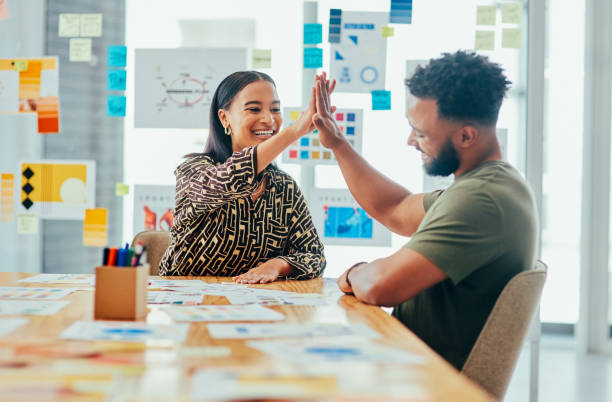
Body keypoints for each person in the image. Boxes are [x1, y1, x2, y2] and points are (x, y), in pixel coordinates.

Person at [311, 51, 538, 370]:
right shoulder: (491, 184)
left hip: (425, 382)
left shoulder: (481, 200)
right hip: (410, 365)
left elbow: (380, 287)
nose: (410, 141)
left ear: (466, 135)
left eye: (421, 133)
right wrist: (337, 143)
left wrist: (352, 272)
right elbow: (396, 209)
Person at [160, 71, 333, 283]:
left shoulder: (284, 187)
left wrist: (278, 265)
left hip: (257, 305)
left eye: (275, 109)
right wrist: (295, 131)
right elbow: (228, 179)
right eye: (254, 109)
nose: (269, 120)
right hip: (187, 304)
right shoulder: (193, 171)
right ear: (224, 118)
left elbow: (314, 256)